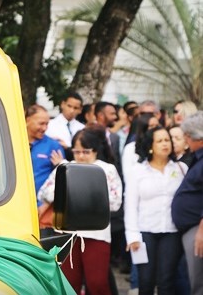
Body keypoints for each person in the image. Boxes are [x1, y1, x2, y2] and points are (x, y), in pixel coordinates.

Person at [38, 129, 123, 295]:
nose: (81, 156)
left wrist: (84, 195)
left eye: (86, 151)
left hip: (97, 233)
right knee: (69, 282)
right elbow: (43, 193)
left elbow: (116, 201)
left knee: (97, 282)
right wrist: (67, 191)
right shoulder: (64, 168)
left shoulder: (107, 169)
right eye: (77, 151)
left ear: (96, 150)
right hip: (67, 233)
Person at [124, 126, 186, 295]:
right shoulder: (137, 171)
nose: (165, 144)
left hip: (172, 232)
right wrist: (133, 236)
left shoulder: (180, 169)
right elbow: (130, 206)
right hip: (145, 233)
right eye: (159, 141)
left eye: (167, 140)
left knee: (167, 280)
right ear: (151, 145)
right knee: (146, 281)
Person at [171, 111, 203, 295]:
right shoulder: (197, 158)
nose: (186, 140)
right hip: (191, 228)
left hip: (197, 229)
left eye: (188, 137)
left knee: (199, 283)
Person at [27, 104, 65, 201]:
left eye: (47, 124)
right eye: (41, 123)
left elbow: (60, 179)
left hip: (41, 205)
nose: (44, 128)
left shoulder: (53, 146)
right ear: (27, 120)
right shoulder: (13, 142)